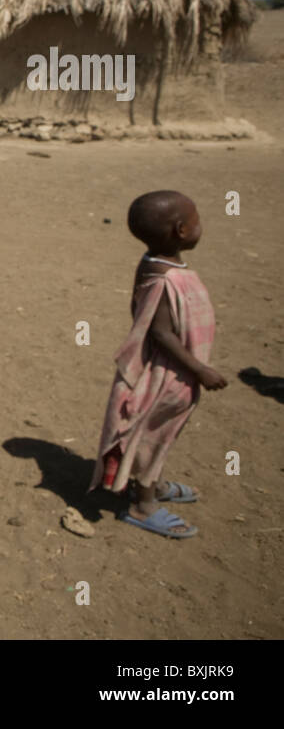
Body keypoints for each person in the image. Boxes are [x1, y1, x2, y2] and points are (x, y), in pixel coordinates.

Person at [89, 190, 227, 539]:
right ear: (181, 230)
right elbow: (162, 334)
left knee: (162, 434)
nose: (200, 227)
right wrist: (200, 369)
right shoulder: (165, 280)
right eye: (197, 221)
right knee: (150, 436)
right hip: (166, 376)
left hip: (175, 370)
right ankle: (143, 504)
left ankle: (154, 483)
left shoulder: (154, 262)